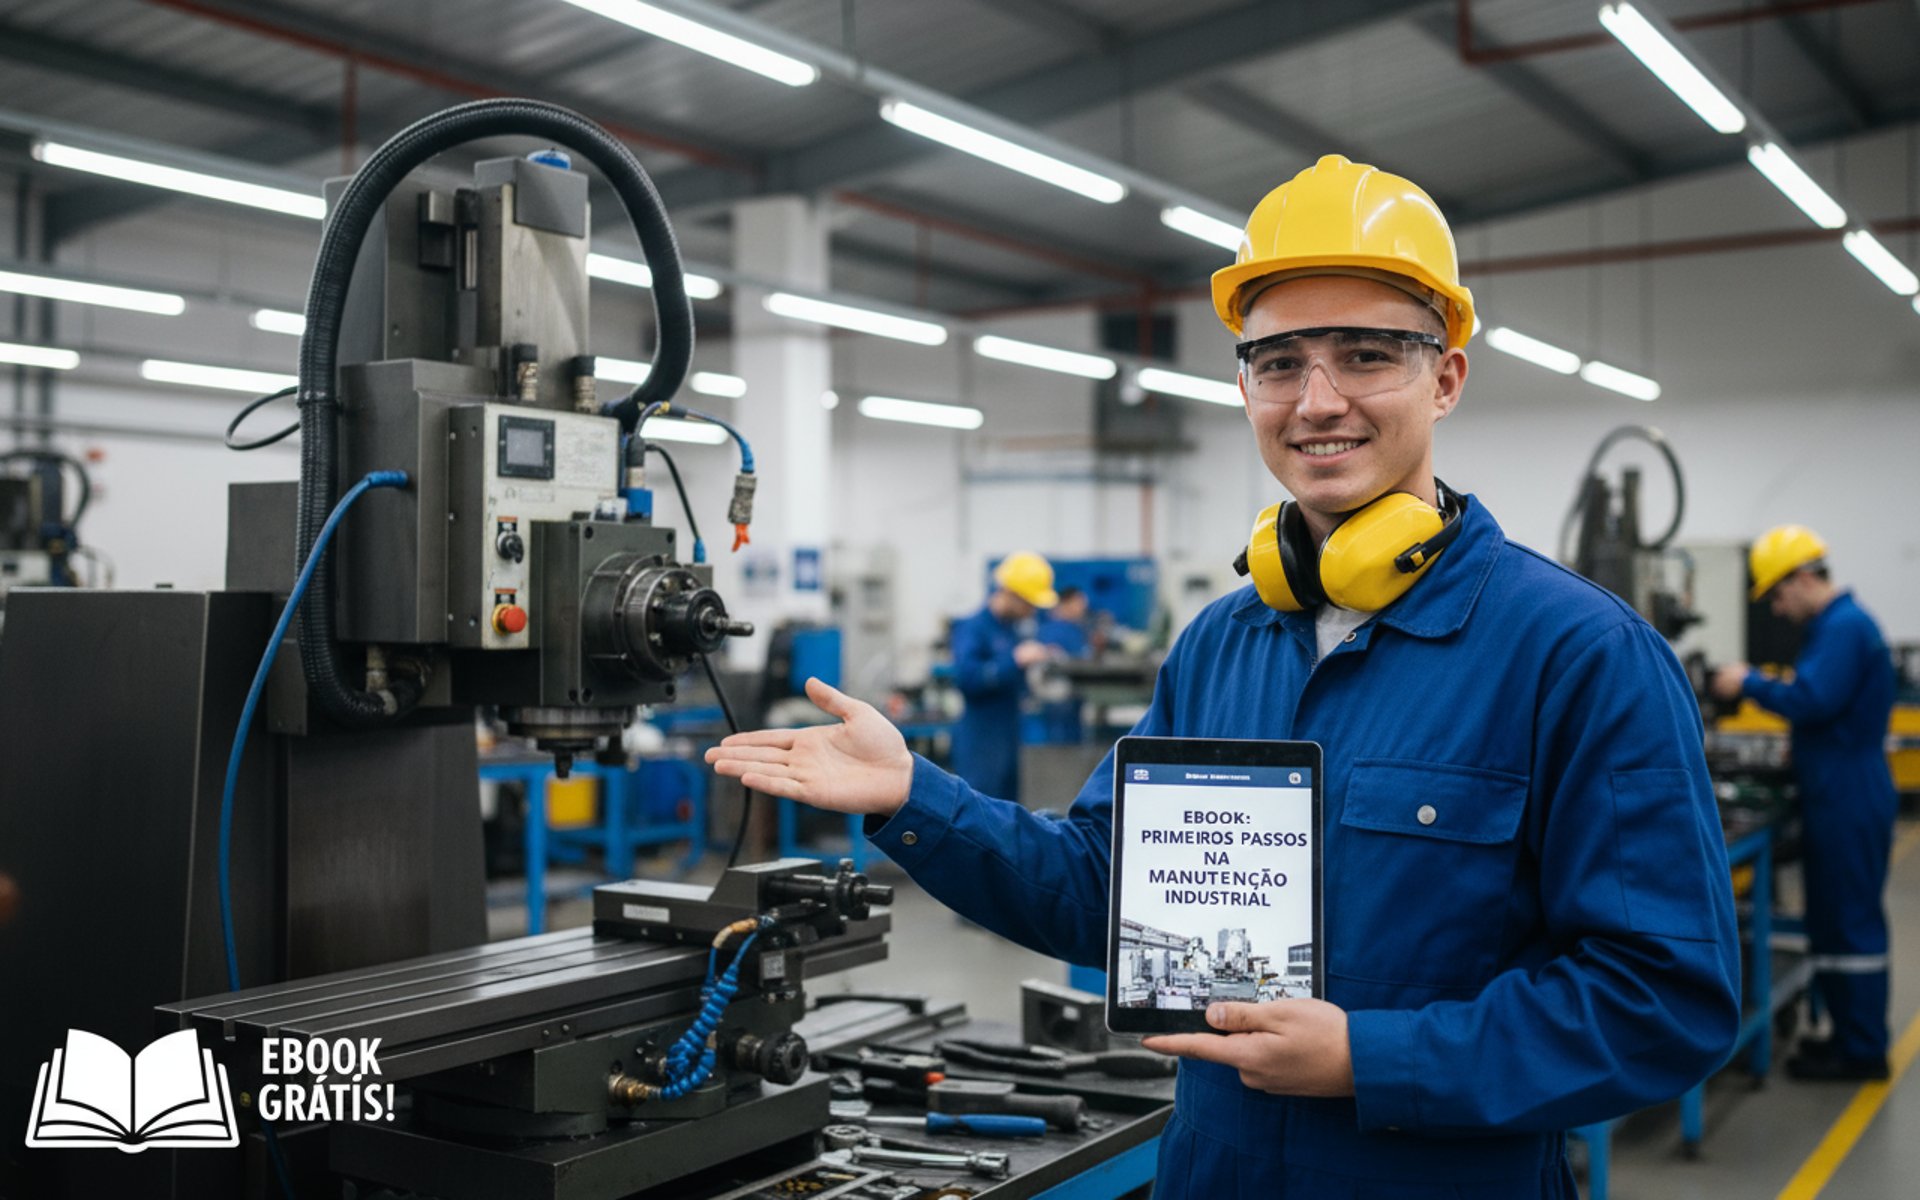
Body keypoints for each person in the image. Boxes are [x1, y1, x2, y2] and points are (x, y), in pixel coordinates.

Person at [710, 155, 1740, 1198]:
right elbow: (1105, 898)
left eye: (1367, 354)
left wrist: (1368, 1059)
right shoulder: (1221, 643)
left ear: (1447, 376)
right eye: (1279, 362)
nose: (1316, 401)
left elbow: (1664, 1000)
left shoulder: (1576, 654)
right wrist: (913, 795)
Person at [1712, 526, 1898, 1081]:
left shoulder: (1842, 627)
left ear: (1802, 577)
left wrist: (1747, 681)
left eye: (1777, 593)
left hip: (1848, 794)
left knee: (1850, 924)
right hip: (1838, 788)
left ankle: (1863, 1051)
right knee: (1834, 920)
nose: (1777, 607)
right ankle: (1846, 1036)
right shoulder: (1840, 626)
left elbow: (1813, 698)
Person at [946, 551, 1056, 803]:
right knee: (980, 812)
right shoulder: (973, 627)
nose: (1031, 611)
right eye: (1028, 603)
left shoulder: (1010, 630)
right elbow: (967, 679)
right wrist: (1015, 660)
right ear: (1011, 594)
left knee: (1006, 812)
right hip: (981, 741)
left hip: (1008, 735)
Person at [1034, 586, 1091, 744]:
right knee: (1059, 740)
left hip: (1074, 694)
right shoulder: (1051, 630)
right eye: (1078, 603)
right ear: (1066, 603)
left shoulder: (1076, 628)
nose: (1082, 608)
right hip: (1056, 696)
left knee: (1073, 738)